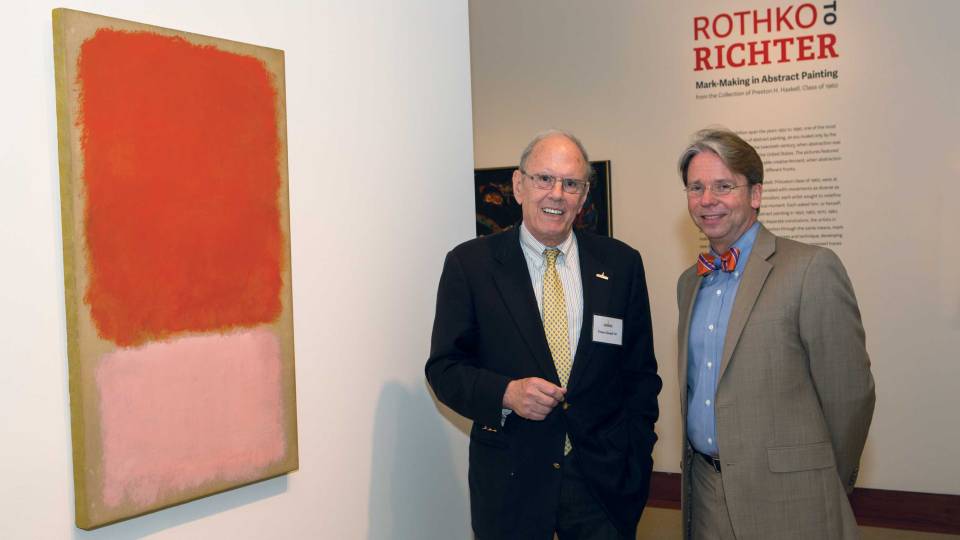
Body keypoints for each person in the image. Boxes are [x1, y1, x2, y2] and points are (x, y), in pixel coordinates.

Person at [426, 130, 661, 539]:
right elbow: (445, 368)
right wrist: (505, 394)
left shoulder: (622, 265)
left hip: (602, 486)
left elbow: (640, 376)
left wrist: (636, 462)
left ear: (584, 195)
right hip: (511, 484)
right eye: (544, 179)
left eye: (571, 183)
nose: (557, 194)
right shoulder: (471, 265)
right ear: (518, 185)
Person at [675, 128, 875, 539]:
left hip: (791, 498)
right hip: (706, 492)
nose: (707, 200)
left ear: (756, 194)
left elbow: (850, 393)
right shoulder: (688, 284)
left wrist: (817, 475)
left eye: (723, 186)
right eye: (696, 187)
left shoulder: (810, 269)